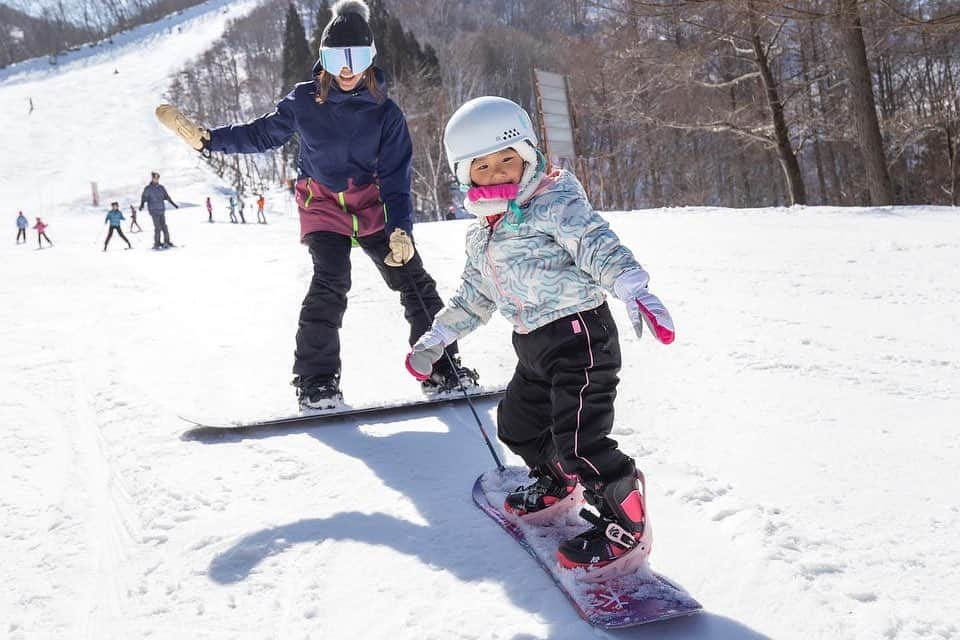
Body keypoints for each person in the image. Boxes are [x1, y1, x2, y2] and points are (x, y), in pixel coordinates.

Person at [155, 0, 475, 410]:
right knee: (331, 281)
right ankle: (317, 382)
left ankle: (441, 367)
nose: (346, 68)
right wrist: (209, 139)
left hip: (372, 203)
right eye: (336, 57)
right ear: (322, 59)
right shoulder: (305, 101)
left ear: (370, 58)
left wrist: (401, 230)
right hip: (322, 203)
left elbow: (396, 176)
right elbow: (262, 135)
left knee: (413, 280)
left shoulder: (386, 113)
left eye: (356, 57)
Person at [405, 97, 677, 577]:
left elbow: (594, 242)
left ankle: (624, 522)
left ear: (528, 155)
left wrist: (632, 285)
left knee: (581, 440)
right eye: (482, 167)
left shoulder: (552, 203)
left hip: (580, 338)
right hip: (532, 346)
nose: (497, 173)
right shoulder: (482, 235)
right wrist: (439, 337)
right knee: (516, 423)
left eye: (507, 160)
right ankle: (556, 480)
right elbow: (475, 296)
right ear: (466, 174)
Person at [139, 171, 178, 249]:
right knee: (158, 228)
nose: (156, 180)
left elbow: (167, 197)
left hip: (161, 209)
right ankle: (157, 243)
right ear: (152, 178)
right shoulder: (148, 188)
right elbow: (144, 197)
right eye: (155, 178)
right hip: (153, 210)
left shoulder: (161, 188)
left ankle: (167, 241)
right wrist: (142, 205)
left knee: (164, 227)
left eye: (157, 178)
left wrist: (174, 204)